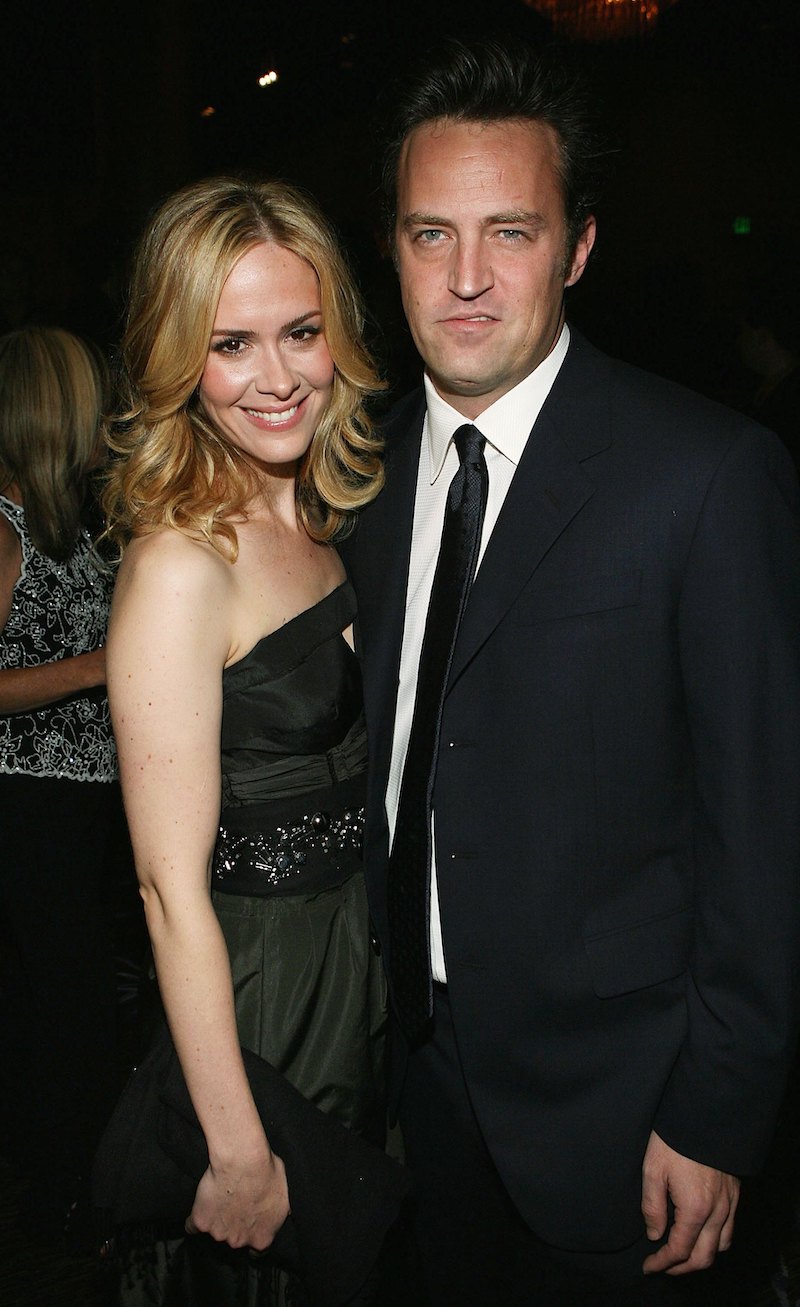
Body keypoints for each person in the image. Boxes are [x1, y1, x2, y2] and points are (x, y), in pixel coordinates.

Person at [342, 36, 800, 1306]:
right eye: (431, 235)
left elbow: (763, 831)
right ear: (390, 248)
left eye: (511, 232)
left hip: (628, 1105)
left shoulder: (703, 476)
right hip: (419, 1089)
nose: (467, 278)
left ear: (578, 247)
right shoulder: (358, 474)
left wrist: (717, 1108)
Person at [103, 177, 388, 1304]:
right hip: (266, 1004)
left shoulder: (320, 512)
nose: (278, 377)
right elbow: (166, 888)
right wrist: (233, 1143)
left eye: (301, 332)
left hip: (359, 971)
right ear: (180, 360)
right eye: (231, 344)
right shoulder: (180, 564)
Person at [0, 326, 118, 1240]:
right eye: (87, 400)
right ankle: (59, 1193)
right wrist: (100, 666)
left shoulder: (76, 523)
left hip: (84, 803)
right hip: (28, 802)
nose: (102, 415)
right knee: (58, 1006)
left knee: (77, 1000)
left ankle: (77, 1178)